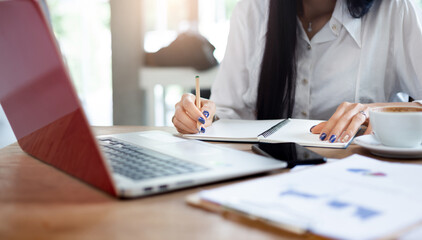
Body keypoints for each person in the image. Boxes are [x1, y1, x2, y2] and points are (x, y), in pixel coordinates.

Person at [172, 0, 422, 144]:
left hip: (365, 179)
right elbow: (229, 112)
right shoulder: (253, 9)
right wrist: (199, 118)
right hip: (266, 181)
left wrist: (377, 112)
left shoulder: (394, 9)